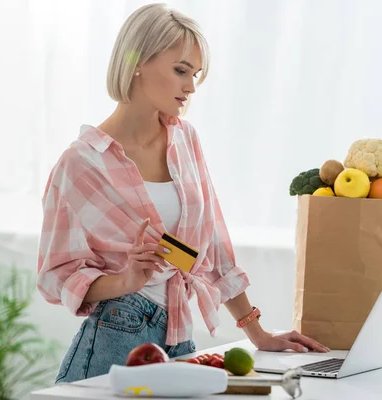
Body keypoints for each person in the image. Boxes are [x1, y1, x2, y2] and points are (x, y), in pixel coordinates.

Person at [37, 3, 330, 383]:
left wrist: (256, 332)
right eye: (180, 71)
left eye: (195, 74)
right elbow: (56, 274)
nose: (190, 87)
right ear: (137, 60)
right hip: (114, 337)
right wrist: (126, 280)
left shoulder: (185, 140)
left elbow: (214, 245)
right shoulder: (80, 163)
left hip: (179, 336)